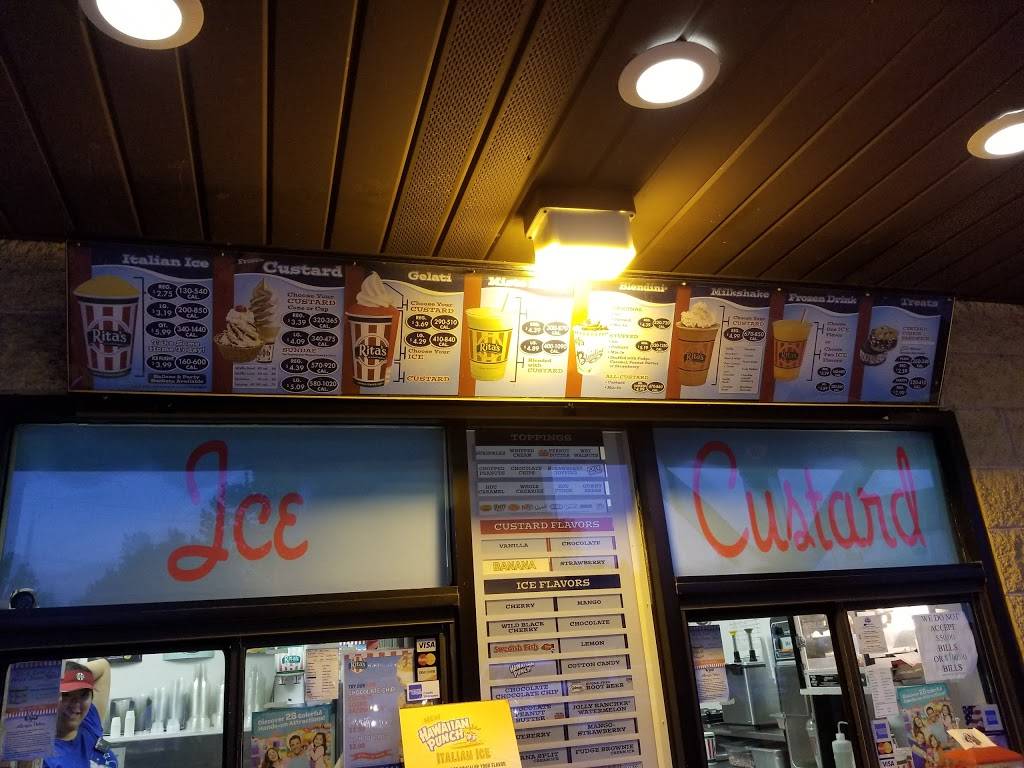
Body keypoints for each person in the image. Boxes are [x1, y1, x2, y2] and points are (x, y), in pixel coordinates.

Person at [43, 659, 117, 768]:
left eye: (84, 695)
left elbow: (104, 666)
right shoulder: (44, 757)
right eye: (66, 695)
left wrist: (75, 675)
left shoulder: (89, 721)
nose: (76, 704)